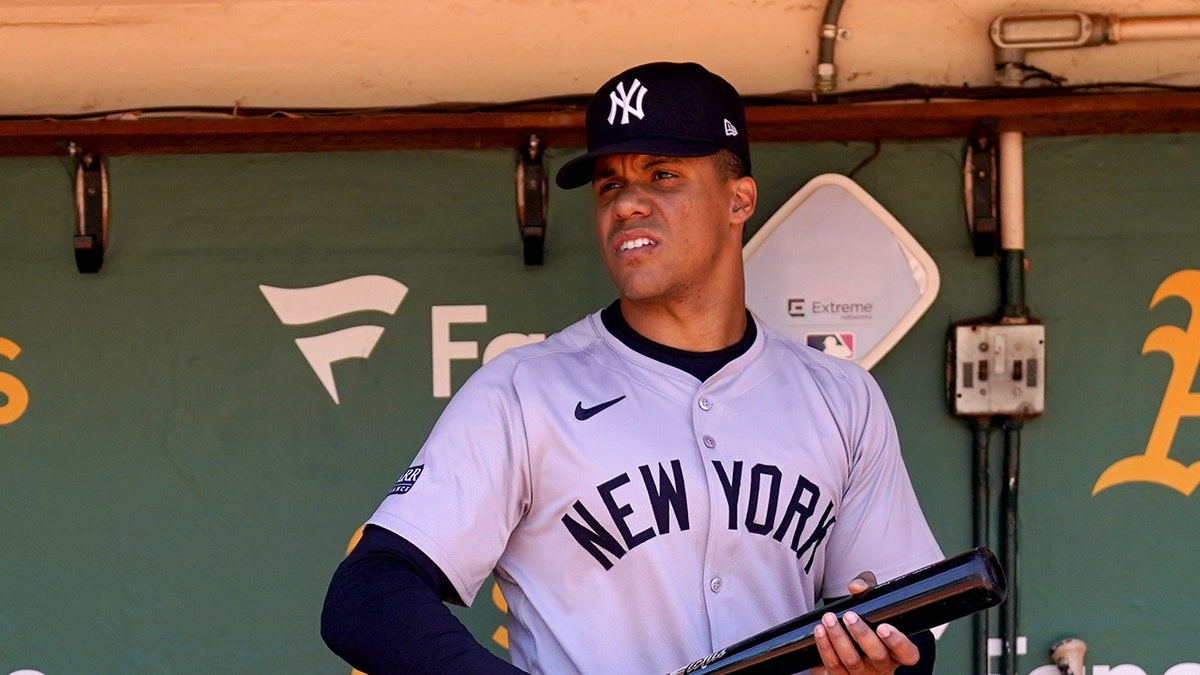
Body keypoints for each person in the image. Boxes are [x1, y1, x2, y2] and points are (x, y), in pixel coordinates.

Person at [321, 61, 943, 675]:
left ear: (739, 197)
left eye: (662, 174)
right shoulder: (524, 391)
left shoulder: (842, 398)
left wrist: (880, 666)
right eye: (610, 185)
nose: (625, 205)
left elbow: (908, 632)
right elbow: (369, 593)